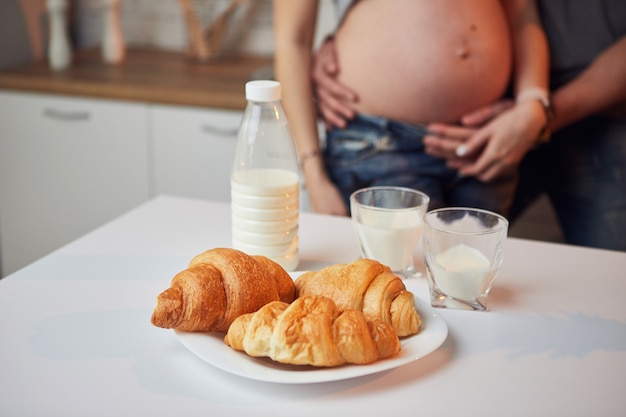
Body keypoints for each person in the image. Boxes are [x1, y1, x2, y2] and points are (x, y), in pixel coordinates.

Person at [273, 0, 549, 217]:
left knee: (476, 283)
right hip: (381, 144)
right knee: (398, 284)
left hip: (486, 140)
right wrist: (315, 177)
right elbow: (292, 40)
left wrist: (533, 102)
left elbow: (523, 18)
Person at [422, 1, 626, 251]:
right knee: (455, 258)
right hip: (482, 120)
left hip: (601, 111)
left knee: (610, 269)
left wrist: (536, 112)